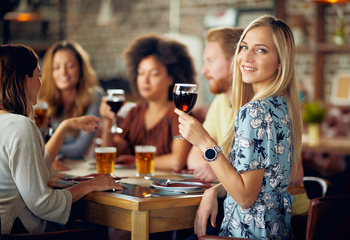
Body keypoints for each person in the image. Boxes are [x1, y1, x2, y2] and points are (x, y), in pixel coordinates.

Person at [175, 15, 302, 239]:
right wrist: (215, 189)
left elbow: (245, 197)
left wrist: (205, 142)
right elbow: (261, 183)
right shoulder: (283, 106)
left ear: (280, 61)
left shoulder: (253, 111)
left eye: (261, 50)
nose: (246, 57)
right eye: (244, 47)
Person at [0, 44, 123, 234]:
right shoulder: (20, 126)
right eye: (39, 75)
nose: (41, 82)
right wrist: (90, 185)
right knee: (99, 230)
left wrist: (65, 127)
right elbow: (42, 204)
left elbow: (29, 169)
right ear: (24, 79)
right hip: (19, 231)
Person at [100, 34, 196, 172]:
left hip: (169, 187)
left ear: (171, 78)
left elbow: (176, 162)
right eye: (141, 73)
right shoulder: (136, 111)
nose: (145, 80)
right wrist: (108, 121)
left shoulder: (179, 113)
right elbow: (110, 154)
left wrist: (135, 160)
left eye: (154, 74)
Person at [187, 27, 243, 183]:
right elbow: (194, 158)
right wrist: (221, 170)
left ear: (235, 62)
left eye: (210, 61)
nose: (204, 70)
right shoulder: (221, 101)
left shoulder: (258, 106)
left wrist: (219, 171)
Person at [39, 40, 104, 160]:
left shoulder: (94, 96)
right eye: (56, 67)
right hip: (48, 168)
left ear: (81, 69)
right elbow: (37, 144)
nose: (63, 72)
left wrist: (47, 150)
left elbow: (79, 149)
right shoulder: (40, 99)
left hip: (77, 168)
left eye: (70, 66)